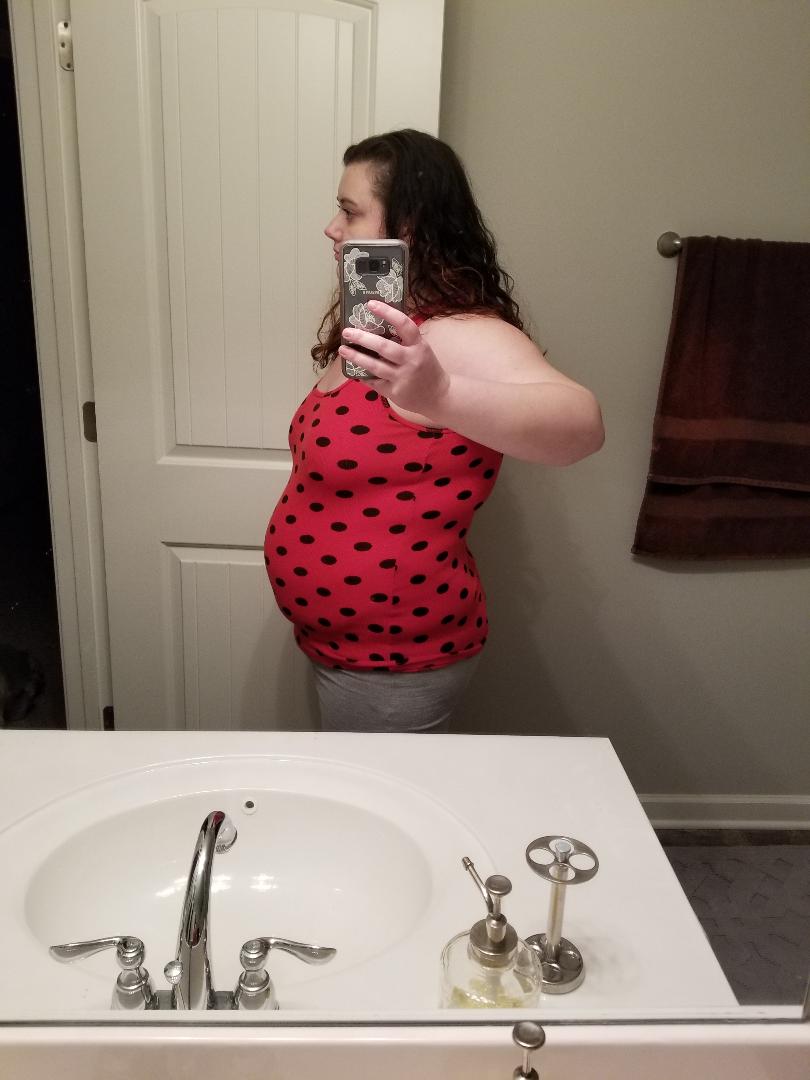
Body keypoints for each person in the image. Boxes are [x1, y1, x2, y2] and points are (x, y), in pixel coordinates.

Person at [264, 130, 604, 733]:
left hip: (398, 661)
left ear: (410, 226)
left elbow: (582, 427)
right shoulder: (384, 325)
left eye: (349, 211)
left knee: (378, 795)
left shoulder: (462, 332)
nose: (331, 228)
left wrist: (440, 395)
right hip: (345, 651)